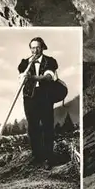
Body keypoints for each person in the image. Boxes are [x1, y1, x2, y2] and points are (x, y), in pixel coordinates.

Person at [18, 37, 58, 170]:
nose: (35, 50)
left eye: (37, 47)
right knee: (33, 127)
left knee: (47, 126)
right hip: (29, 98)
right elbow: (21, 78)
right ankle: (37, 156)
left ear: (42, 48)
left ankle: (48, 158)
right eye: (32, 47)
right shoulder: (24, 63)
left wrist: (33, 77)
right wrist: (24, 75)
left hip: (45, 97)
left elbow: (49, 77)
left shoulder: (50, 61)